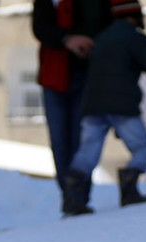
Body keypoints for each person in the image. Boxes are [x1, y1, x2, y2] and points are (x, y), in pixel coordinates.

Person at [62, 0, 146, 214]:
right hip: (122, 106)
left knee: (87, 152)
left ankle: (73, 200)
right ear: (135, 15)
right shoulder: (136, 39)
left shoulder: (100, 38)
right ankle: (129, 189)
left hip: (93, 105)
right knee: (143, 147)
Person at [31, 0, 112, 212]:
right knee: (60, 142)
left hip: (87, 74)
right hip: (54, 76)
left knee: (81, 139)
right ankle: (69, 196)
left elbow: (105, 25)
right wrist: (67, 39)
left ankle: (79, 196)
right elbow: (40, 28)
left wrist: (88, 44)